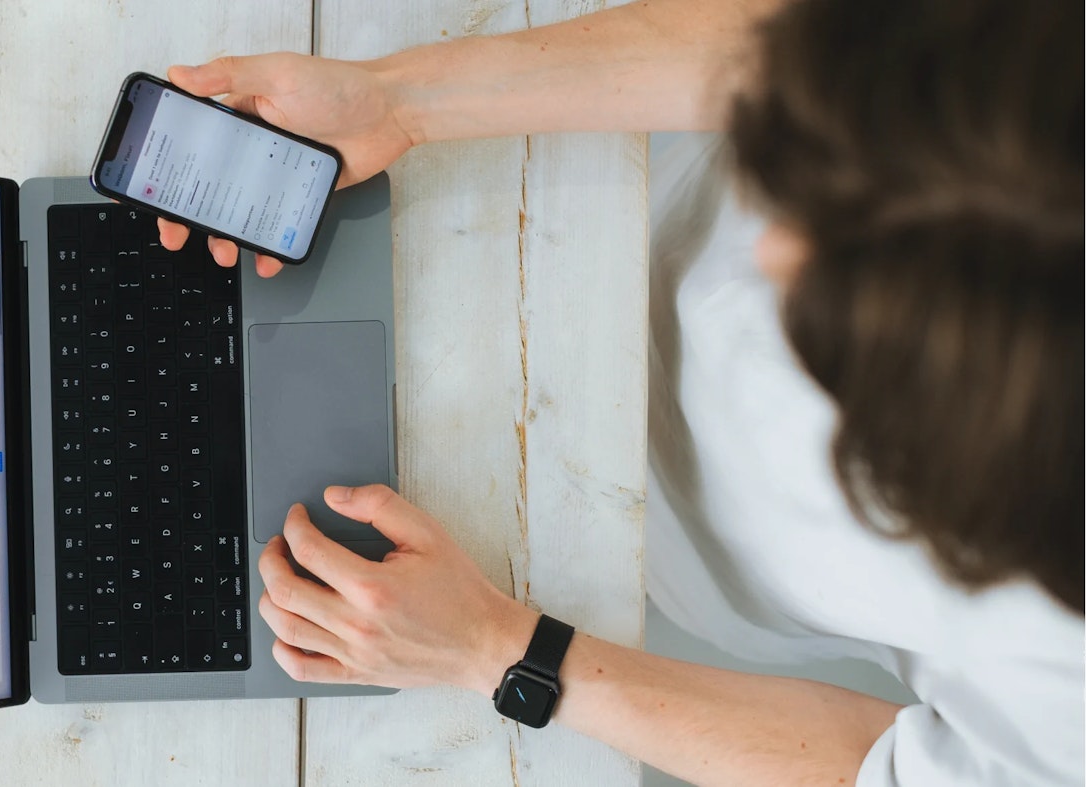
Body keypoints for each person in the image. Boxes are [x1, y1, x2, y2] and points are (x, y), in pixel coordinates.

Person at [157, 0, 1084, 783]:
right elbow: (796, 40)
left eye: (816, 318)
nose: (757, 256)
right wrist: (401, 101)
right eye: (812, 189)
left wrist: (501, 649)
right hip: (588, 192)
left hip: (603, 556)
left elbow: (875, 768)